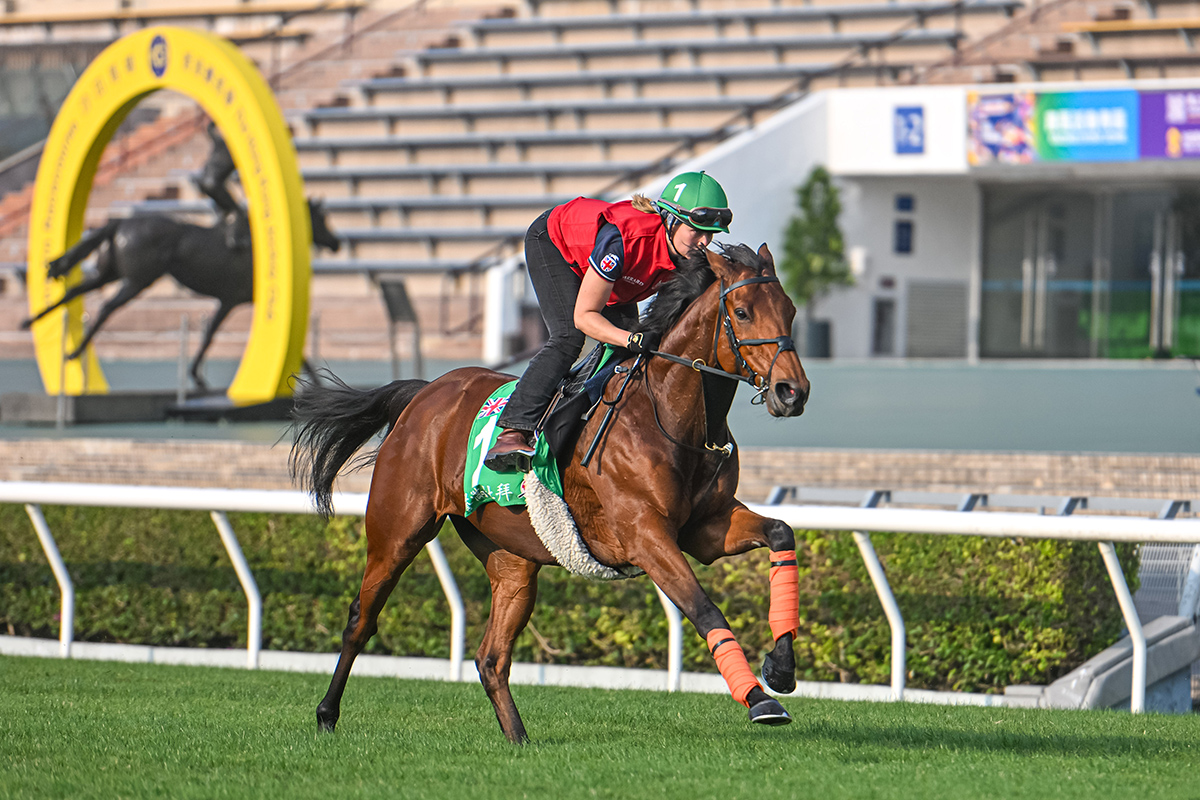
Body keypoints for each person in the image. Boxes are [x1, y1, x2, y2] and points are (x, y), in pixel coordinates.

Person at [483, 170, 733, 473]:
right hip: (554, 244)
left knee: (630, 353)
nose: (705, 242)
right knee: (568, 338)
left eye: (711, 234)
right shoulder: (624, 239)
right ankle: (512, 431)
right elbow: (584, 316)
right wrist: (630, 338)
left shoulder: (687, 253)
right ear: (670, 219)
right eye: (697, 231)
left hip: (614, 277)